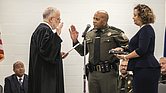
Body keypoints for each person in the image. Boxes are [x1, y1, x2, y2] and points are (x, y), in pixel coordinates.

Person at [69, 10, 129, 93]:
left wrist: (122, 49)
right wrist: (75, 41)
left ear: (105, 21)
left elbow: (129, 46)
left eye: (97, 19)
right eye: (93, 18)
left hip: (108, 74)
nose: (94, 21)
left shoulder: (115, 33)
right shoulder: (89, 34)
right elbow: (83, 52)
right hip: (92, 73)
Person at [113, 4, 161, 93]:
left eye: (135, 15)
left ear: (142, 17)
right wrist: (123, 49)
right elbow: (136, 46)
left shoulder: (146, 29)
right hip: (142, 68)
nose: (133, 18)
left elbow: (141, 50)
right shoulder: (143, 29)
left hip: (146, 68)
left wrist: (124, 57)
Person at [28, 7, 68, 93]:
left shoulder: (42, 30)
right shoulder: (43, 29)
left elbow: (45, 50)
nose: (59, 22)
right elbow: (46, 51)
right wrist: (57, 34)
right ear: (51, 19)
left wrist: (57, 54)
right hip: (45, 79)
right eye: (58, 19)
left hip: (43, 75)